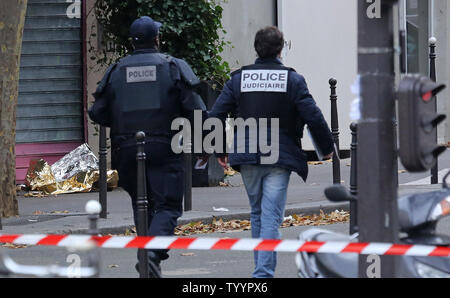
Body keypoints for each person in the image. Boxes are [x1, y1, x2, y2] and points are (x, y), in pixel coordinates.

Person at [208, 26, 334, 278]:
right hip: (280, 154)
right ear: (280, 49)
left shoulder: (238, 79)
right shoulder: (292, 80)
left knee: (258, 213)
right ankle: (263, 275)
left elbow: (215, 116)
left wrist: (219, 149)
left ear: (257, 49)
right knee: (271, 216)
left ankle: (261, 270)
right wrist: (327, 148)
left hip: (246, 153)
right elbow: (313, 116)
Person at [88, 16, 206, 277]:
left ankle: (148, 262)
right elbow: (197, 110)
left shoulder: (116, 70)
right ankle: (151, 254)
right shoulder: (173, 67)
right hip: (165, 147)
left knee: (141, 204)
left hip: (126, 150)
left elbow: (97, 113)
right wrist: (204, 146)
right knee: (169, 206)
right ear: (157, 39)